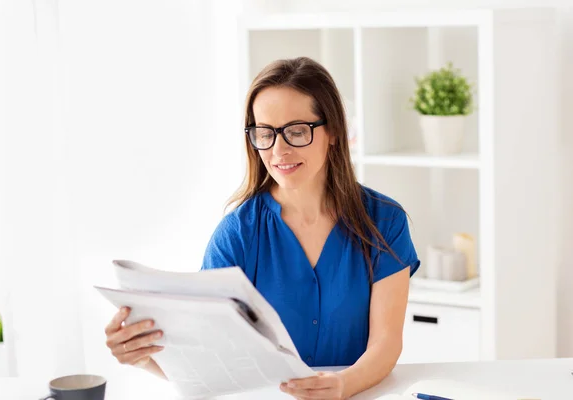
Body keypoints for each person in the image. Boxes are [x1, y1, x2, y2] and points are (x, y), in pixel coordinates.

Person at [104, 57, 420, 400]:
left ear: (333, 132)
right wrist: (144, 357)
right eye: (265, 133)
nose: (278, 150)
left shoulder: (384, 221)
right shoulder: (238, 234)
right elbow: (210, 361)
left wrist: (344, 385)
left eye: (297, 131)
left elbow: (387, 343)